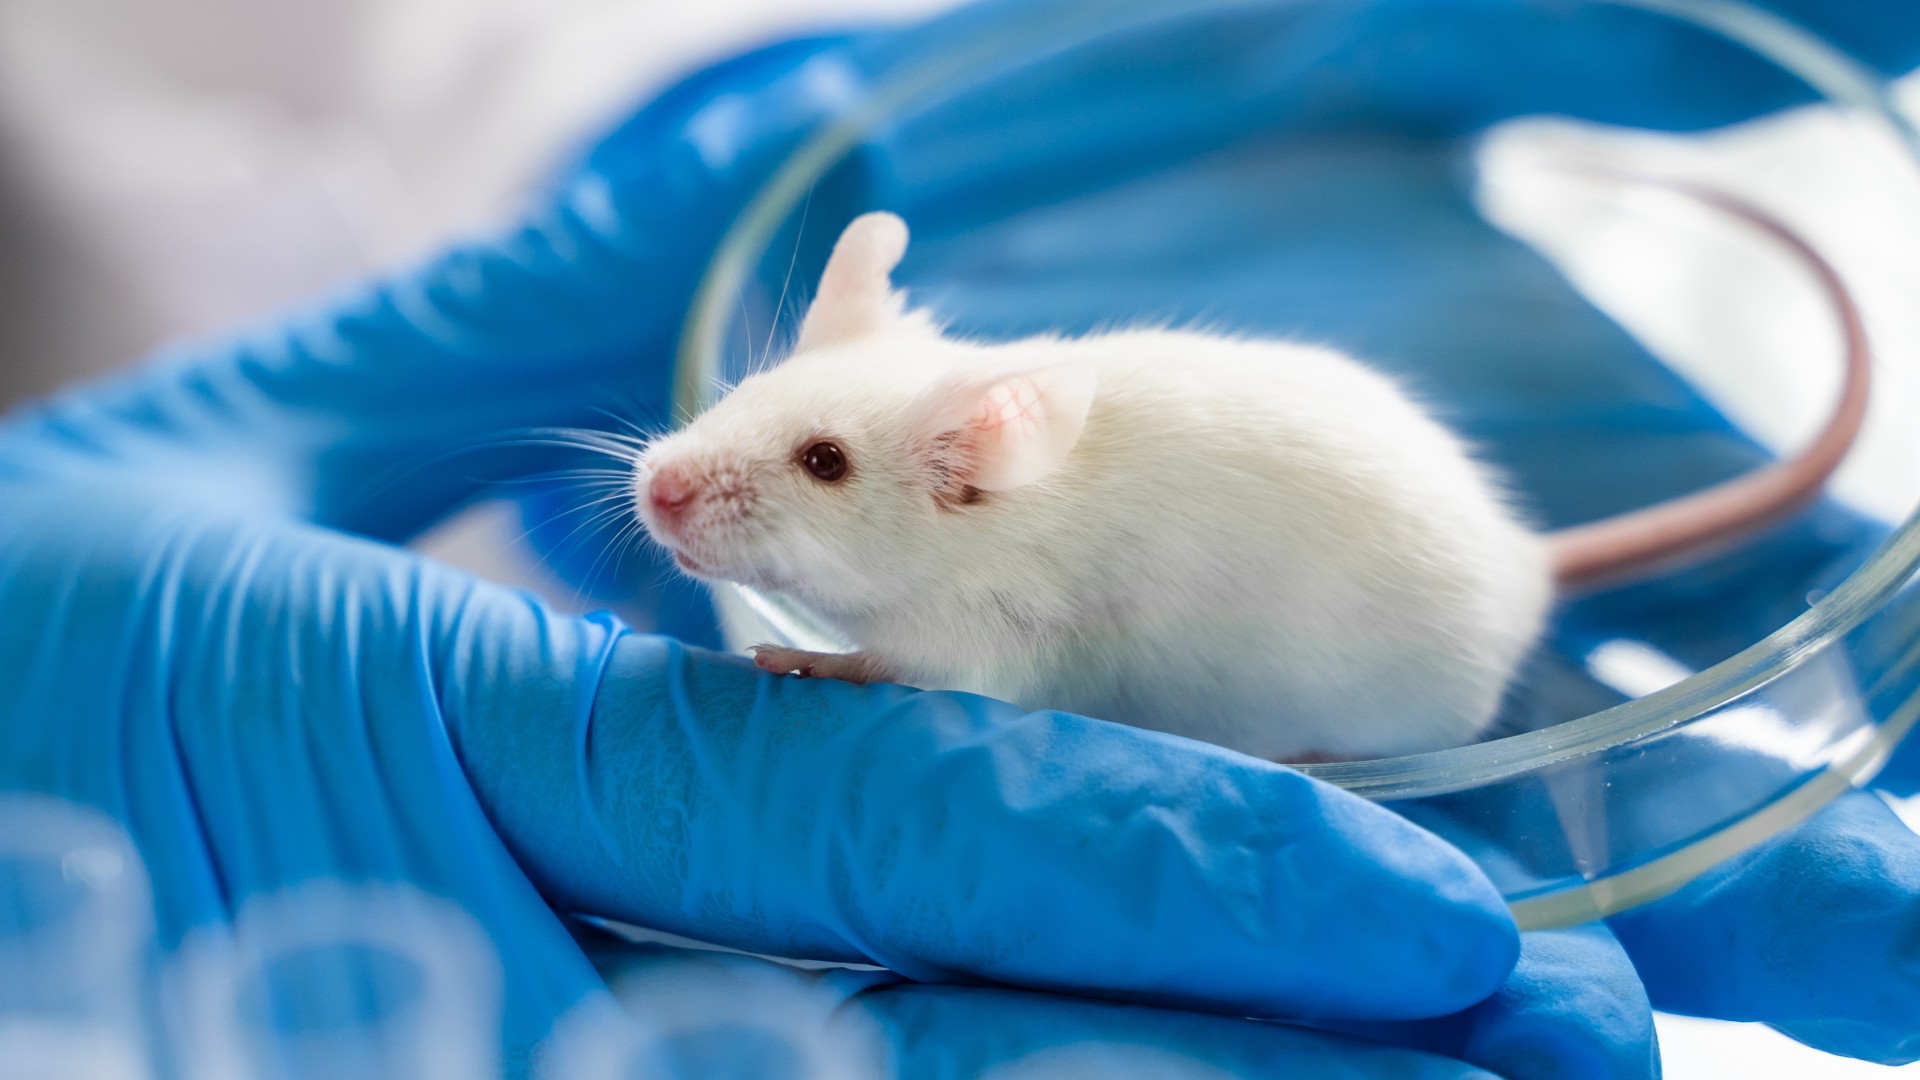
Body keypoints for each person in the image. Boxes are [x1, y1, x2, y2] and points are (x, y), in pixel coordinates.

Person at [3, 1, 1918, 1075]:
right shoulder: (942, 443)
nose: (684, 481)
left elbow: (1011, 651)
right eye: (745, 434)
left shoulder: (998, 516)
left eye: (813, 468)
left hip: (1392, 656)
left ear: (973, 465)